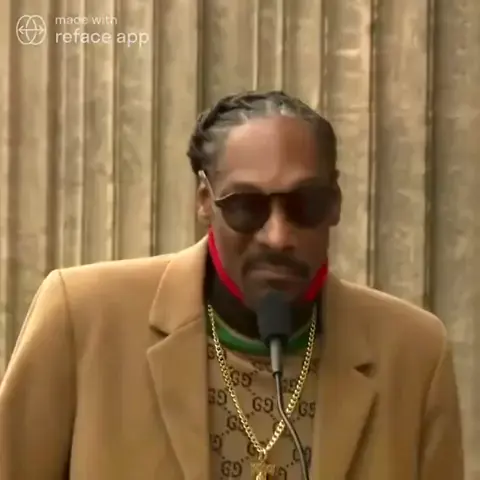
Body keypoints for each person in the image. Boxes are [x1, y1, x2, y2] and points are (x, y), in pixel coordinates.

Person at [0, 91, 463, 479]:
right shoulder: (83, 317)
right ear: (206, 201)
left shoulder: (414, 353)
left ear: (336, 203)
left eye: (305, 204)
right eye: (246, 206)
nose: (278, 236)